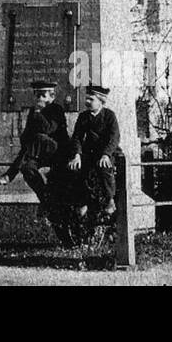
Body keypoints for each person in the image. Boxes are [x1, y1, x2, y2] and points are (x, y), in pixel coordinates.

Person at [0, 78, 74, 243]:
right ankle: (46, 200)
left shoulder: (56, 109)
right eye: (37, 95)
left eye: (42, 95)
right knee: (26, 168)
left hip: (58, 152)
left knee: (37, 138)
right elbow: (26, 137)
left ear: (51, 96)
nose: (39, 98)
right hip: (39, 152)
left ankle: (10, 174)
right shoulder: (34, 111)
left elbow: (48, 129)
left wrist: (38, 114)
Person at [67, 84, 120, 240]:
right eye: (87, 98)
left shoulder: (109, 116)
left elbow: (114, 138)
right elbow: (77, 136)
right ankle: (80, 203)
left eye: (91, 99)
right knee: (76, 171)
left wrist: (106, 154)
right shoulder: (83, 117)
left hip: (105, 153)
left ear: (100, 101)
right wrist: (76, 154)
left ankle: (110, 199)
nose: (87, 101)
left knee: (104, 169)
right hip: (88, 154)